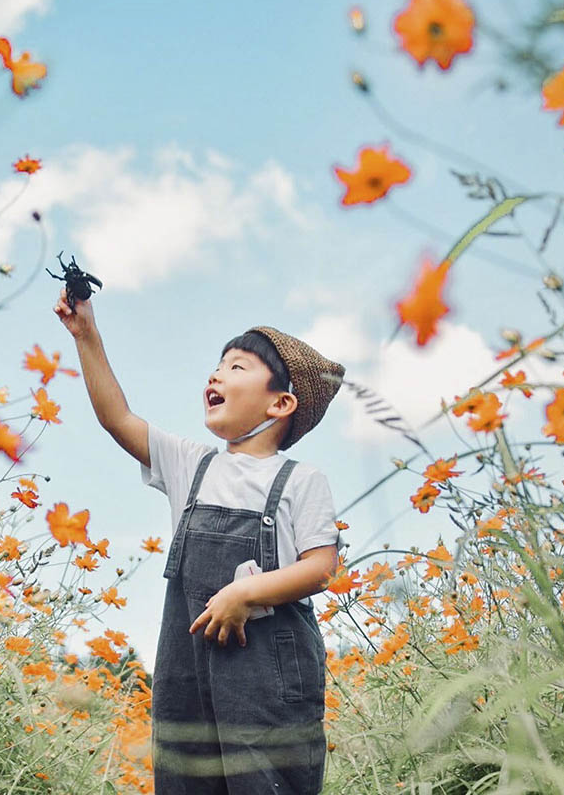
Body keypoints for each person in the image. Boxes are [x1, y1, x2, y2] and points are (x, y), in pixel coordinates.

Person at [54, 285, 345, 794]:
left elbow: (322, 567)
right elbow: (116, 418)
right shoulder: (193, 464)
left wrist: (244, 593)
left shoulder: (301, 480)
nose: (216, 374)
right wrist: (86, 335)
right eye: (217, 365)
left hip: (267, 683)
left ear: (281, 403)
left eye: (237, 367)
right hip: (188, 673)